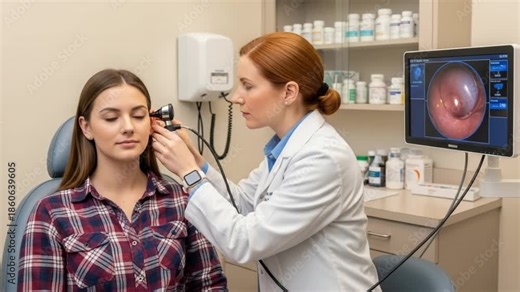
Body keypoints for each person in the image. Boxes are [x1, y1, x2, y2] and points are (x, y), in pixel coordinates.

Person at [151, 32, 381, 291]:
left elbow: (244, 242)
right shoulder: (284, 149)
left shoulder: (322, 158)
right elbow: (241, 204)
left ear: (289, 92)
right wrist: (197, 160)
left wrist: (188, 172)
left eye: (248, 86)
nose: (237, 97)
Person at [17, 69, 227, 291]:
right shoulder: (51, 212)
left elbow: (209, 285)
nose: (128, 127)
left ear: (152, 122)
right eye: (111, 118)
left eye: (138, 116)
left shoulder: (182, 201)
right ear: (86, 127)